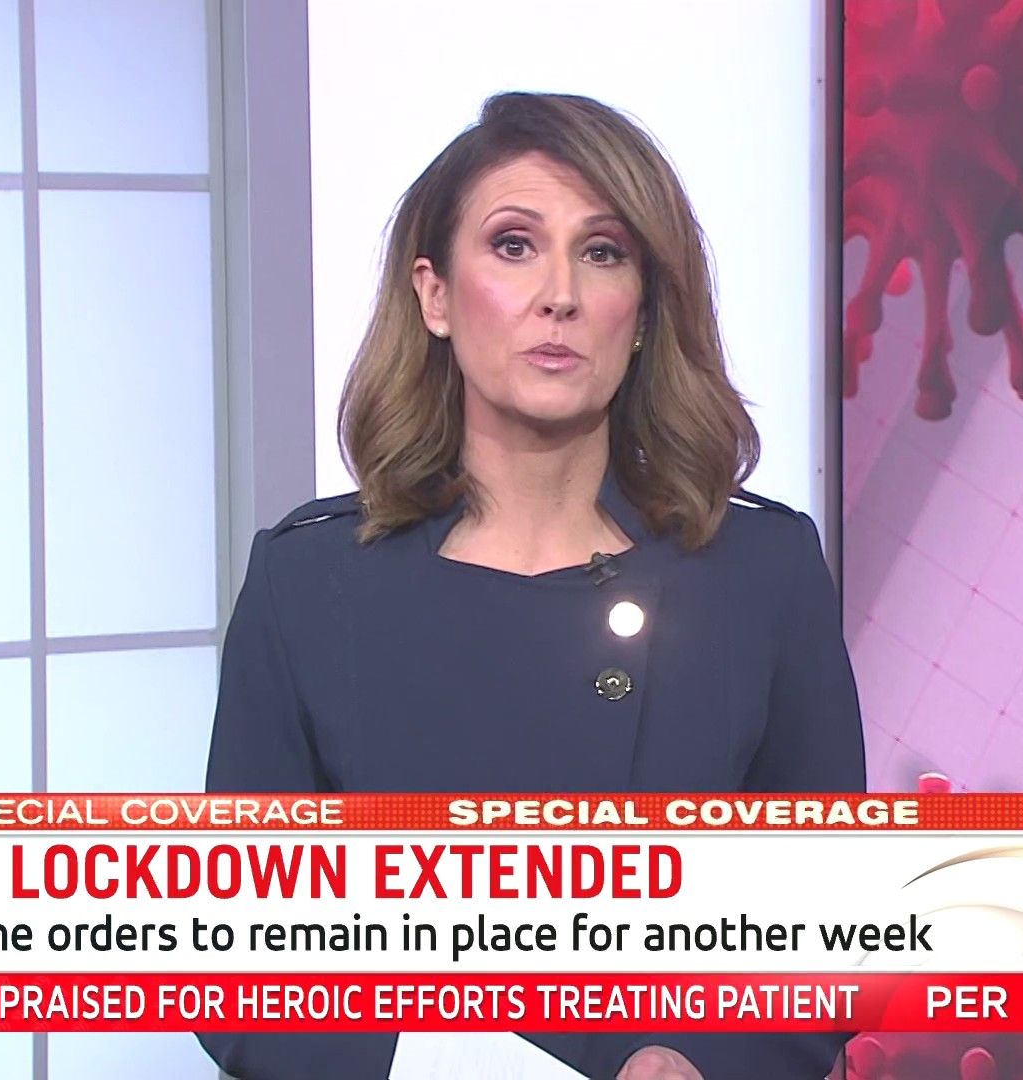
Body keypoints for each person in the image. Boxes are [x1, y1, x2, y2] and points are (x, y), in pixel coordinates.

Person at [199, 91, 864, 1080]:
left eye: (602, 253)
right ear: (434, 296)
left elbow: (831, 932)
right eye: (514, 245)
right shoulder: (307, 585)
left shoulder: (762, 573)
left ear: (643, 313)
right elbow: (242, 972)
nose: (560, 294)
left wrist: (701, 1059)